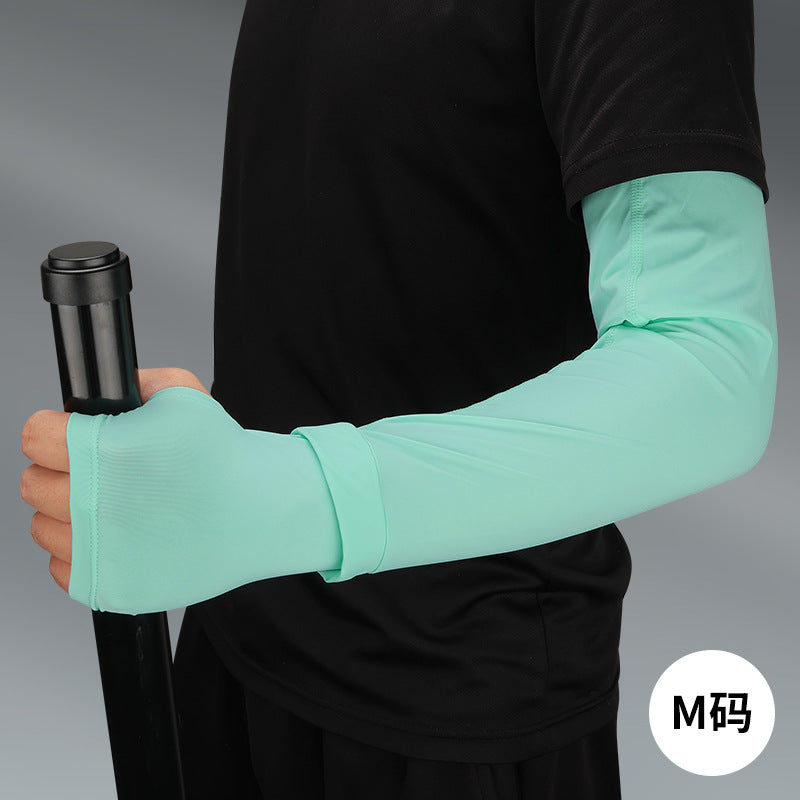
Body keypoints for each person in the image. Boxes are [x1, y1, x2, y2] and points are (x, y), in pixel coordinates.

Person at [20, 1, 777, 797]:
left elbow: (709, 365)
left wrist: (274, 496)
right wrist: (222, 494)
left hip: (451, 703)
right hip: (236, 634)